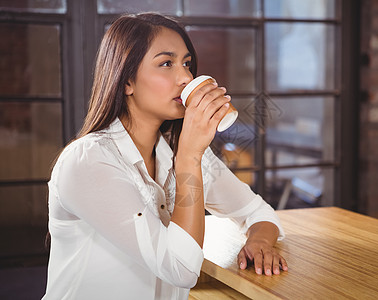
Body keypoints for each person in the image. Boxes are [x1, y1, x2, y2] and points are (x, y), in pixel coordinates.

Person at [43, 12, 287, 300]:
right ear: (126, 82)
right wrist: (189, 160)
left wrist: (259, 241)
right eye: (166, 63)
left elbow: (257, 212)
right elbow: (180, 270)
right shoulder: (88, 161)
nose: (186, 77)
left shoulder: (180, 150)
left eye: (186, 64)